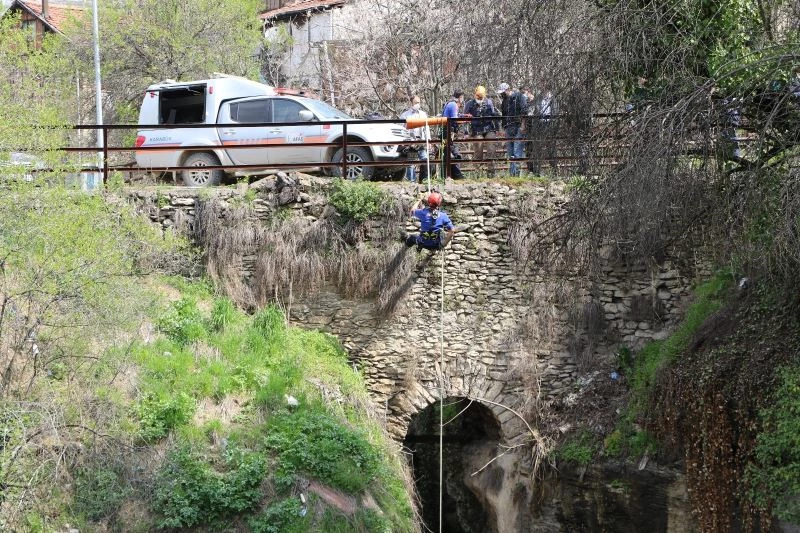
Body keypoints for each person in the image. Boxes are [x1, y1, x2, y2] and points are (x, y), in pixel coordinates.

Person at [463, 85, 499, 178]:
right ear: (475, 95)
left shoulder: (489, 102)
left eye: (481, 96)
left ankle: (491, 173)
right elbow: (465, 119)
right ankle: (478, 173)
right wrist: (466, 132)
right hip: (476, 129)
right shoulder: (469, 104)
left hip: (489, 128)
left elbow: (494, 115)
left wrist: (497, 129)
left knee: (491, 149)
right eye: (478, 96)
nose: (479, 98)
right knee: (478, 150)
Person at [497, 82, 528, 176]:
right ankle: (512, 175)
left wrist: (523, 125)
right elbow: (503, 116)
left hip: (518, 127)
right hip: (508, 127)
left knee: (517, 151)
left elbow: (524, 111)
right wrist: (503, 128)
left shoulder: (519, 96)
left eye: (503, 92)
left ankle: (516, 174)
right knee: (510, 152)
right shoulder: (504, 101)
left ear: (508, 90)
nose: (502, 94)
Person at [399, 95, 431, 183]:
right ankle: (411, 181)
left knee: (425, 160)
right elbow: (401, 128)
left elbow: (426, 128)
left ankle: (424, 180)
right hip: (411, 142)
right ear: (411, 103)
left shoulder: (423, 114)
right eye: (416, 102)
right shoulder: (405, 115)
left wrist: (429, 140)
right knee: (411, 163)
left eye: (419, 102)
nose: (418, 104)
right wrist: (403, 141)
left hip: (421, 141)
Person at [531, 87, 559, 174]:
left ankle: (554, 171)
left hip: (550, 125)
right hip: (539, 125)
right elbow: (532, 110)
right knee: (538, 147)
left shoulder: (554, 99)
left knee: (551, 148)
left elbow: (556, 111)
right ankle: (537, 171)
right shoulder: (537, 99)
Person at [442, 90, 466, 179]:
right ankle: (457, 176)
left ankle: (450, 175)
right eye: (462, 97)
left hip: (447, 132)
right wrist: (464, 120)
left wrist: (462, 116)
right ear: (460, 97)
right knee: (455, 153)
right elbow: (454, 119)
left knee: (449, 153)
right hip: (449, 133)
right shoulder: (453, 105)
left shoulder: (450, 103)